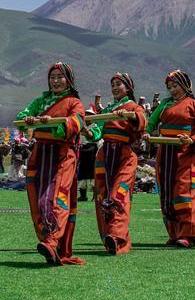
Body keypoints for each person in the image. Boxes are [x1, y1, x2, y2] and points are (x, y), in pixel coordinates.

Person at [16, 62, 86, 266]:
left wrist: (55, 123)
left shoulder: (74, 102)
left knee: (55, 197)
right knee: (39, 198)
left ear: (69, 80)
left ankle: (51, 241)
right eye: (52, 77)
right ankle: (52, 245)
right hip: (40, 153)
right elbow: (21, 116)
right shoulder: (41, 101)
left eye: (60, 77)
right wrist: (30, 119)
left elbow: (77, 122)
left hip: (63, 154)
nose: (55, 81)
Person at [144, 70, 195, 248]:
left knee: (184, 191)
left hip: (185, 153)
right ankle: (174, 233)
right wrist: (146, 132)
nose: (172, 90)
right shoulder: (165, 104)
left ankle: (188, 234)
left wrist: (193, 140)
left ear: (185, 85)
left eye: (175, 86)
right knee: (167, 192)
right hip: (165, 152)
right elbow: (152, 121)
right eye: (169, 87)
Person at [89, 72, 147, 254]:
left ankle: (116, 236)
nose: (114, 87)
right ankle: (110, 237)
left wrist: (129, 116)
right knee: (103, 196)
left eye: (118, 84)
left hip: (124, 155)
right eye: (112, 84)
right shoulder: (107, 110)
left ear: (128, 88)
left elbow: (142, 122)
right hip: (104, 155)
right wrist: (88, 133)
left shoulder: (133, 107)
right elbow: (97, 131)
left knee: (118, 195)